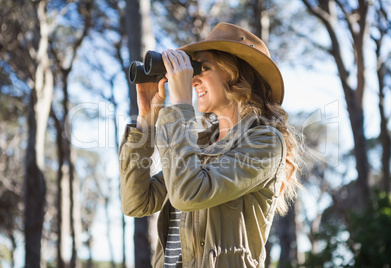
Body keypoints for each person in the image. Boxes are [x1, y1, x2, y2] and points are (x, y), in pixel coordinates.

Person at [119, 22, 303, 267]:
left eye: (202, 68)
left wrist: (181, 105)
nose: (193, 80)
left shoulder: (266, 142)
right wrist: (146, 119)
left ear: (237, 73)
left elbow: (189, 194)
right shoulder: (201, 145)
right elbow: (136, 202)